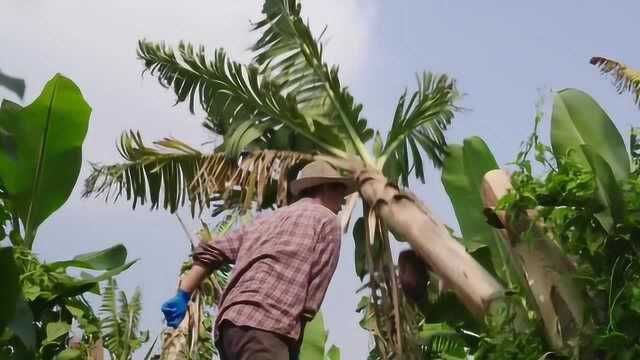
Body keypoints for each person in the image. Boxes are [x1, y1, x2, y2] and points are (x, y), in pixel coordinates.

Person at [161, 160, 354, 360]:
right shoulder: (327, 221)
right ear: (326, 188)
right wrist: (294, 345)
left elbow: (214, 251)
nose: (343, 203)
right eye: (342, 194)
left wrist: (183, 295)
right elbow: (312, 297)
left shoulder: (266, 220)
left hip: (229, 328)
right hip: (268, 327)